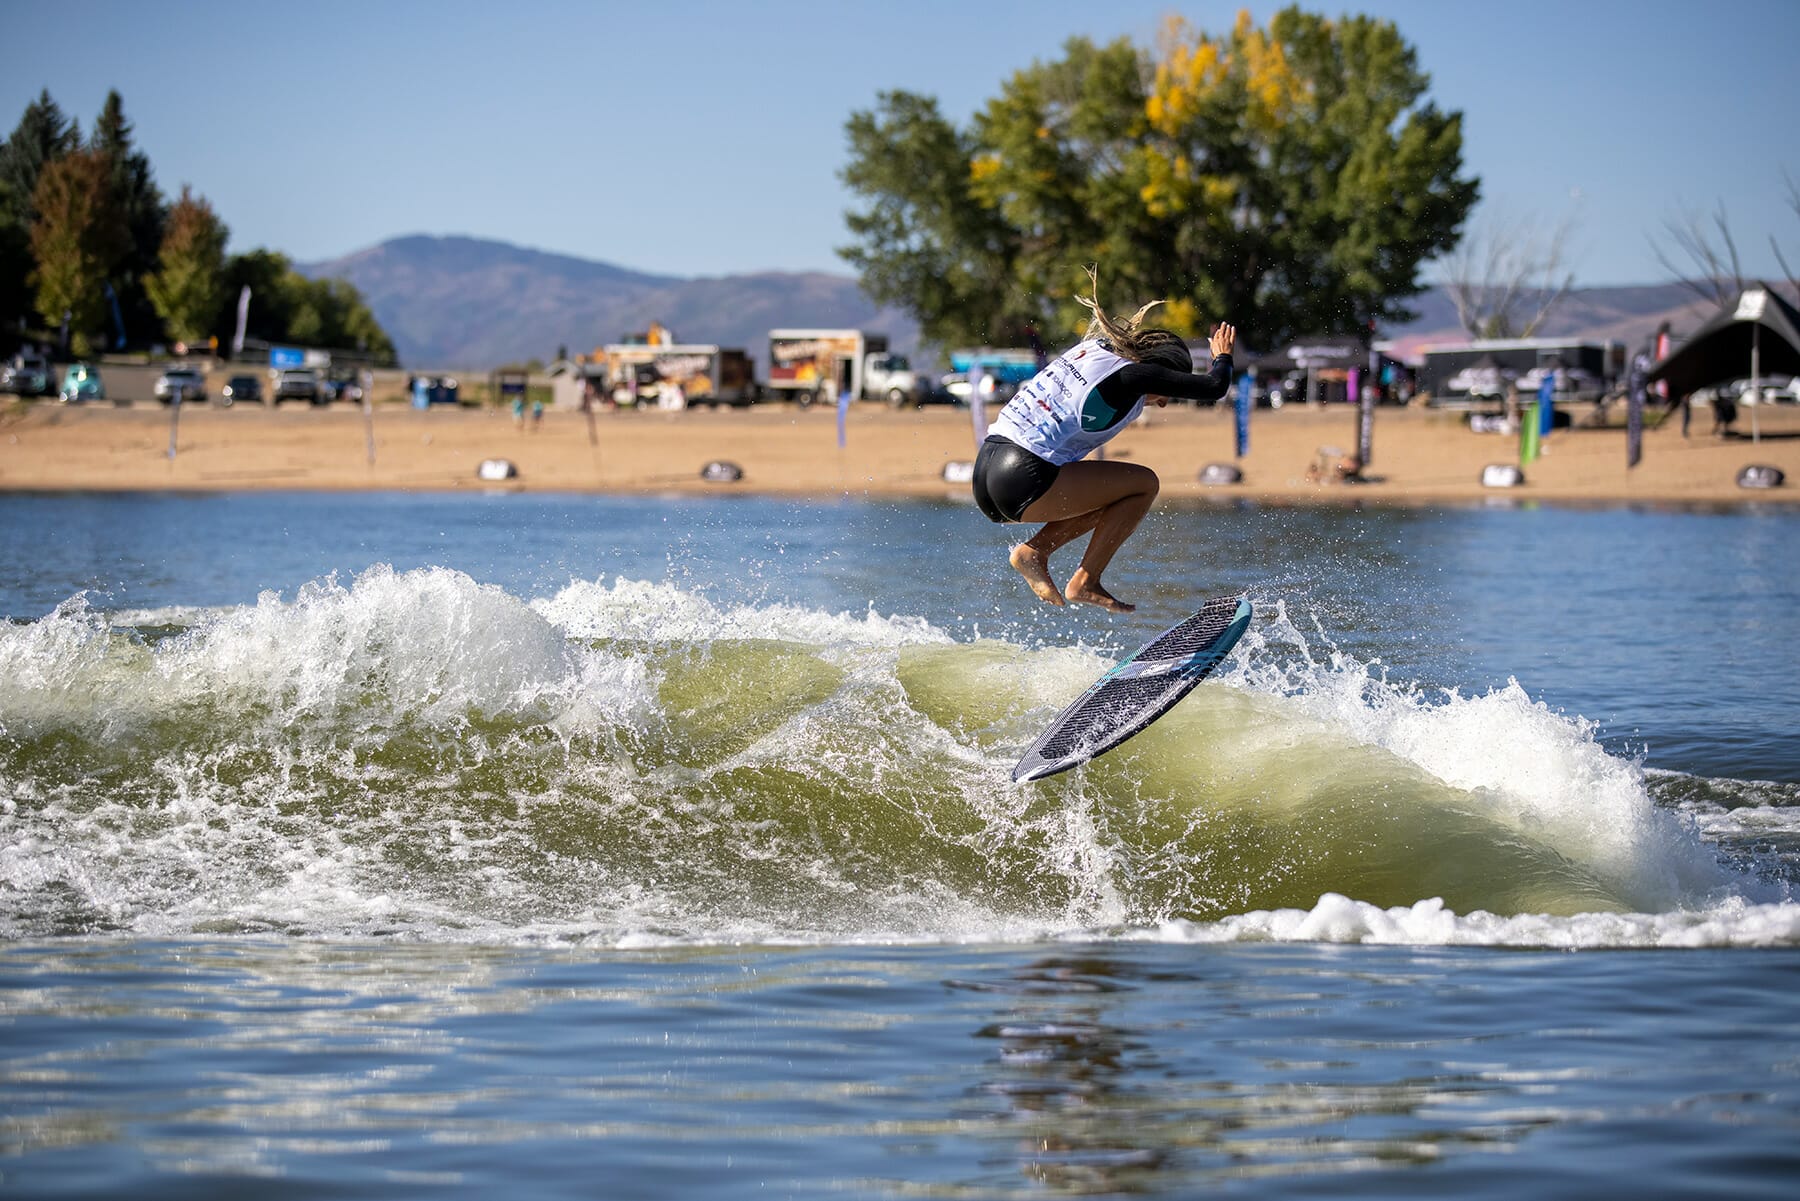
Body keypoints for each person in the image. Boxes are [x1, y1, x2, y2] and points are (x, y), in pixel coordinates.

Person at [971, 268, 1236, 613]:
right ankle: (1085, 580)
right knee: (1143, 485)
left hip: (987, 472)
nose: (1166, 399)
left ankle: (1035, 553)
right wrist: (1224, 356)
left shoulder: (1092, 350)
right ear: (1157, 368)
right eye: (1169, 387)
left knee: (1114, 496)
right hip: (1023, 477)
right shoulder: (1132, 374)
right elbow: (1215, 387)